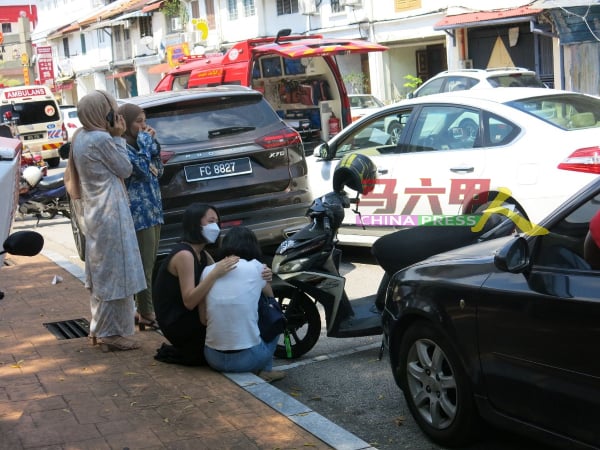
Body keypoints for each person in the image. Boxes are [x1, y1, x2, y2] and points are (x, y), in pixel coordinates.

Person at [72, 90, 146, 352]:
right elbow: (125, 169)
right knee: (117, 273)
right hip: (110, 211)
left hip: (96, 211)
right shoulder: (101, 138)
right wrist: (118, 138)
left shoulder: (81, 136)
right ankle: (111, 334)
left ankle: (100, 327)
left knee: (104, 273)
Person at [152, 203, 240, 366]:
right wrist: (214, 273)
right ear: (195, 224)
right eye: (210, 221)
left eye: (217, 222)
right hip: (179, 322)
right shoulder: (184, 254)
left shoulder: (203, 254)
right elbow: (189, 301)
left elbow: (222, 277)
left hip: (190, 317)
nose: (215, 227)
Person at [202, 226, 285, 382]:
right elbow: (272, 301)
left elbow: (203, 319)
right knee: (276, 317)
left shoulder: (208, 271)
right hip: (248, 360)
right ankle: (266, 370)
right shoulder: (257, 268)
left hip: (213, 358)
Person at [118, 103, 163, 331]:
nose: (144, 126)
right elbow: (144, 171)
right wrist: (147, 145)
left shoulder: (142, 145)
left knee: (151, 263)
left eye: (144, 120)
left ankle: (144, 309)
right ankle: (146, 312)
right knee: (144, 265)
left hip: (154, 209)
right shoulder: (123, 147)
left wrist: (153, 147)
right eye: (138, 121)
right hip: (139, 214)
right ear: (125, 122)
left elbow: (158, 171)